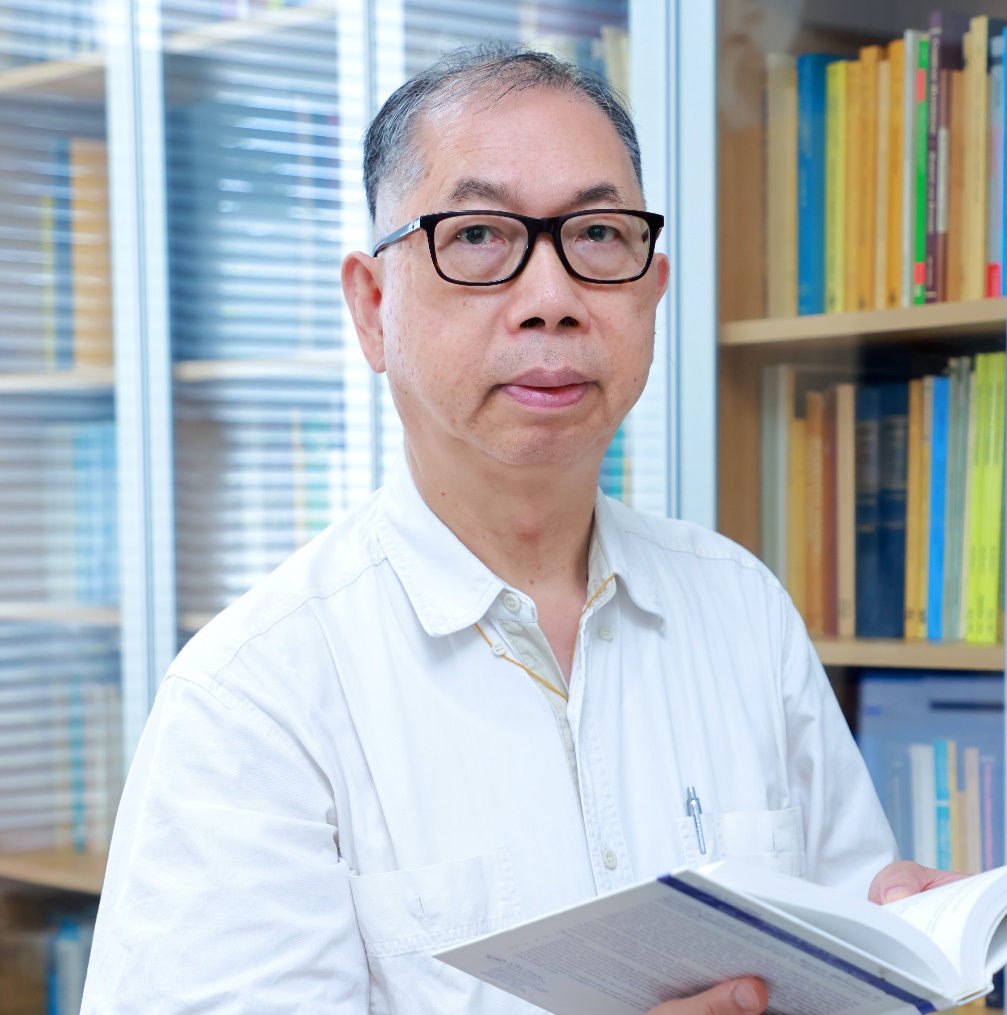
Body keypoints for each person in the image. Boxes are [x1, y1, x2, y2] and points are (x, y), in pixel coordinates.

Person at [80, 45, 961, 1015]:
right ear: (372, 308)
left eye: (598, 234)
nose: (552, 301)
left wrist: (890, 942)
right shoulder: (256, 692)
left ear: (652, 291)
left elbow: (839, 932)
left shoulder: (740, 607)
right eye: (478, 236)